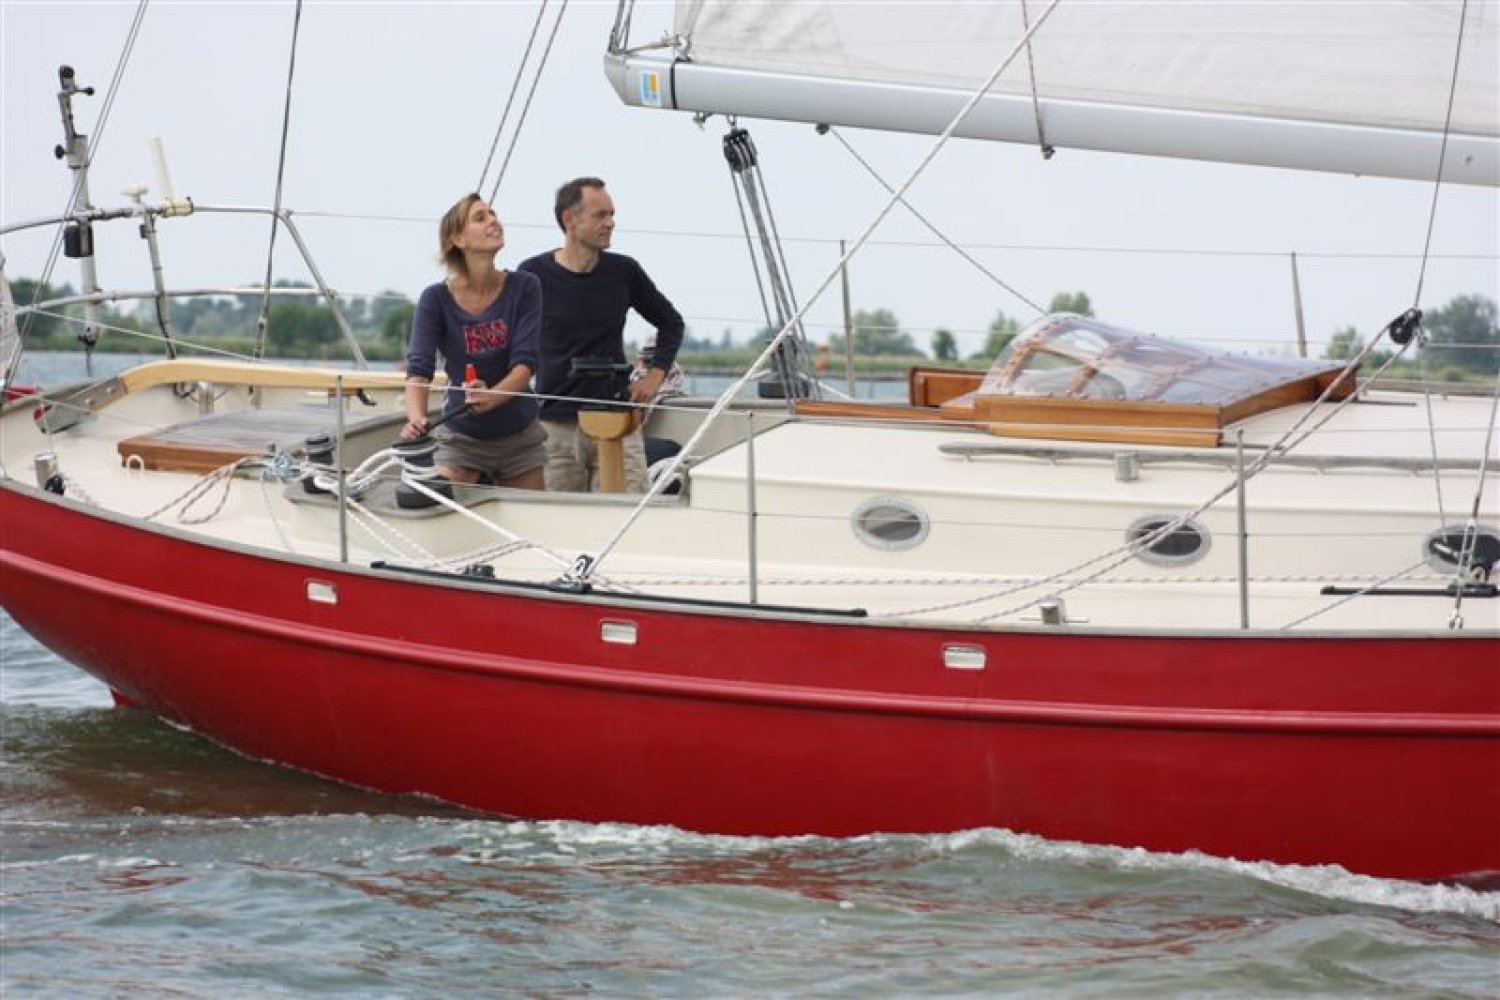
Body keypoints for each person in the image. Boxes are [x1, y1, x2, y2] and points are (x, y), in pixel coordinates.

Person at [518, 177, 685, 493]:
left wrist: (654, 378)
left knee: (626, 513)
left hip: (617, 420)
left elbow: (671, 323)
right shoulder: (533, 275)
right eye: (601, 215)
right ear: (570, 219)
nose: (610, 223)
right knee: (556, 516)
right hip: (555, 427)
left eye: (611, 215)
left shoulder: (624, 271)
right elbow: (511, 339)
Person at [401, 193, 546, 490]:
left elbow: (525, 363)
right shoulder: (435, 299)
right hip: (461, 438)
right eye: (480, 217)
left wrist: (491, 396)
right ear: (458, 239)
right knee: (445, 508)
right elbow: (419, 370)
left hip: (520, 437)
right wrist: (416, 420)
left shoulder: (526, 286)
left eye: (493, 214)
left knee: (529, 517)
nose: (493, 220)